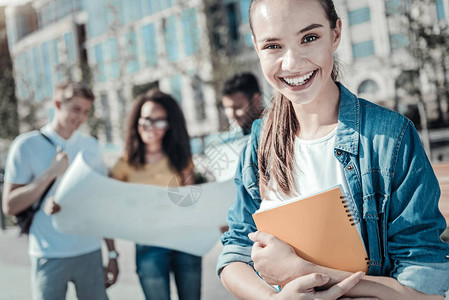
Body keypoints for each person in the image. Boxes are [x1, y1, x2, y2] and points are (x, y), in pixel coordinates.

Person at [217, 0, 449, 299]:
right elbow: (234, 254)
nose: (291, 64)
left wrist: (301, 271)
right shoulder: (260, 142)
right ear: (256, 47)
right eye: (273, 46)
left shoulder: (389, 139)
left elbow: (423, 288)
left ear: (335, 33)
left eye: (309, 38)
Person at [2, 82, 119, 300]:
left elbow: (101, 205)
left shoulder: (91, 146)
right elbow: (9, 206)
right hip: (48, 253)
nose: (81, 117)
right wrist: (49, 174)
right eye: (75, 109)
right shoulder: (26, 145)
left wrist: (112, 253)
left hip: (89, 251)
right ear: (57, 104)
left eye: (86, 111)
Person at [109, 89, 201, 300]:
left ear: (169, 125)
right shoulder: (124, 164)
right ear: (137, 121)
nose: (152, 127)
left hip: (185, 240)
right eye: (147, 119)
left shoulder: (181, 158)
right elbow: (108, 204)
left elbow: (191, 201)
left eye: (160, 121)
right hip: (148, 243)